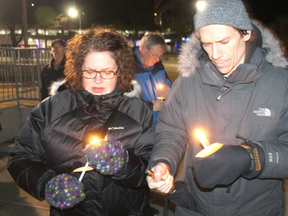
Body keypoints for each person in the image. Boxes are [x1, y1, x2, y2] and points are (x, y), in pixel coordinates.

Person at [146, 0, 288, 215]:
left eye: (224, 41)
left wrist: (252, 158)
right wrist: (163, 162)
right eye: (207, 44)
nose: (215, 54)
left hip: (258, 209)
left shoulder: (281, 83)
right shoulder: (188, 80)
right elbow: (170, 130)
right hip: (195, 207)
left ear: (246, 33)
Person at [7, 27, 155, 216]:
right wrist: (47, 184)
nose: (98, 79)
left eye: (107, 71)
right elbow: (20, 158)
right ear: (78, 69)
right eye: (90, 71)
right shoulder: (50, 110)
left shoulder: (137, 111)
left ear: (120, 71)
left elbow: (149, 170)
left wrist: (122, 163)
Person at [133, 33, 172, 126]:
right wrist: (149, 107)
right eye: (155, 55)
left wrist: (169, 90)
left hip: (160, 124)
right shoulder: (128, 66)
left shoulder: (158, 65)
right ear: (143, 48)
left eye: (160, 56)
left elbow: (168, 82)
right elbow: (124, 101)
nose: (158, 60)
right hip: (141, 126)